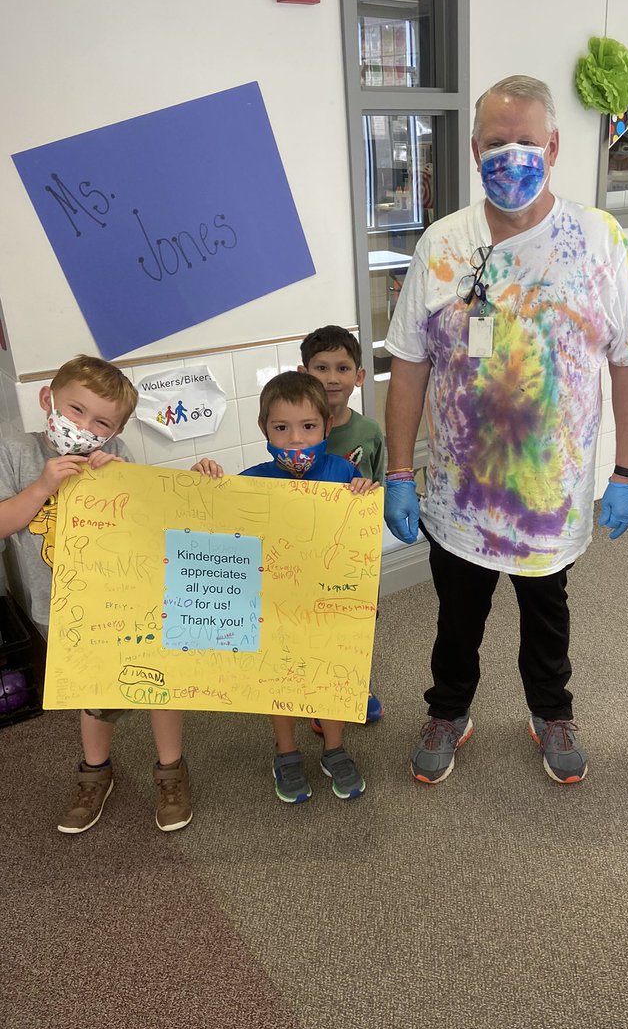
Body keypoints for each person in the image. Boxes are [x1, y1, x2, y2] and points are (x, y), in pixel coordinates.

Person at [382, 74, 628, 786]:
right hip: (456, 492)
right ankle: (449, 711)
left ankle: (552, 711)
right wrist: (398, 471)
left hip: (552, 494)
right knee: (457, 620)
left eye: (527, 142)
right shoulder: (444, 244)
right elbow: (409, 365)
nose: (513, 156)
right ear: (474, 149)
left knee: (548, 618)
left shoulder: (598, 239)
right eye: (498, 143)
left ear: (555, 145)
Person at [0, 355, 192, 834]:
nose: (84, 427)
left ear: (115, 430)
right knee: (93, 693)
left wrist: (119, 479)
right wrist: (45, 484)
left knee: (155, 679)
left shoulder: (115, 452)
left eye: (100, 422)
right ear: (48, 400)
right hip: (56, 606)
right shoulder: (14, 450)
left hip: (120, 600)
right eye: (75, 410)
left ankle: (171, 771)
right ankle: (95, 773)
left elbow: (139, 526)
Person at [193, 370, 379, 801]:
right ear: (265, 430)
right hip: (272, 606)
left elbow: (355, 540)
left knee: (328, 674)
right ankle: (287, 752)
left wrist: (363, 494)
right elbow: (211, 521)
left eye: (308, 426)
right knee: (279, 680)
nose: (295, 439)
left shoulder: (343, 473)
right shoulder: (252, 480)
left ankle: (334, 749)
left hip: (325, 606)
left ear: (327, 427)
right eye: (281, 428)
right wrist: (203, 482)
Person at [299, 324, 385, 727]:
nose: (331, 378)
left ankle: (356, 685)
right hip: (303, 551)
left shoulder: (368, 432)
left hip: (353, 553)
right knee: (310, 624)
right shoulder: (294, 429)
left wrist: (371, 492)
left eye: (342, 368)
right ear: (303, 373)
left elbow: (380, 487)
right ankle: (316, 694)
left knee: (356, 622)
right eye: (320, 368)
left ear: (359, 377)